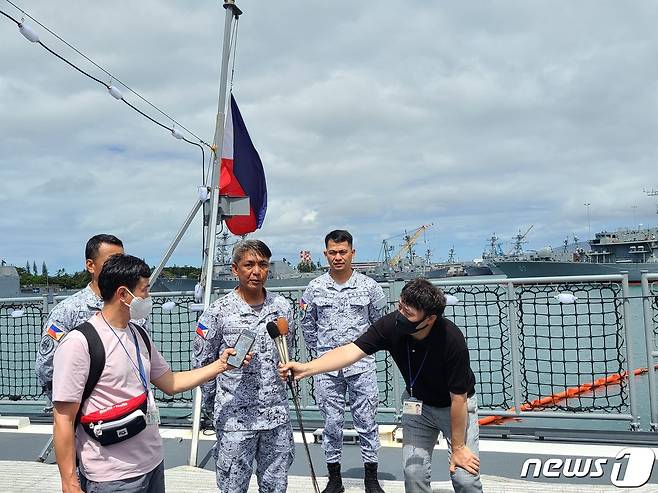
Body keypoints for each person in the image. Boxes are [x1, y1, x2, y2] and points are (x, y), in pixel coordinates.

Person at [52, 254, 247, 493]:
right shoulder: (79, 343)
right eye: (144, 291)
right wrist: (70, 483)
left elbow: (171, 382)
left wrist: (220, 365)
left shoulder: (138, 334)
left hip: (152, 464)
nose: (148, 297)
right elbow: (63, 418)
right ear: (124, 295)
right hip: (112, 476)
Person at [281, 278, 483, 493]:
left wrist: (459, 448)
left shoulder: (452, 341)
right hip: (418, 406)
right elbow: (351, 351)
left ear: (430, 318)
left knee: (464, 478)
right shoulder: (390, 325)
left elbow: (459, 399)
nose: (401, 315)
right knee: (414, 475)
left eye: (409, 314)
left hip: (455, 408)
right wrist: (307, 368)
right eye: (401, 307)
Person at [192, 239, 294, 493]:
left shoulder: (282, 308)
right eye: (249, 264)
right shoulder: (217, 313)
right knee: (233, 488)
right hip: (235, 420)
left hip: (276, 418)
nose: (256, 272)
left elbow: (288, 350)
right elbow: (202, 364)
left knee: (276, 487)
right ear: (235, 269)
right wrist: (214, 404)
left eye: (263, 265)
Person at [300, 230, 386, 493]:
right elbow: (307, 325)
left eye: (343, 252)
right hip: (327, 369)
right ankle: (334, 479)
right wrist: (323, 354)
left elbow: (378, 323)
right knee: (331, 423)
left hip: (361, 366)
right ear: (325, 254)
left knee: (367, 421)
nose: (338, 257)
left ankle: (371, 478)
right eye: (333, 252)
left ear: (352, 253)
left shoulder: (369, 287)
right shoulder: (315, 288)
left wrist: (364, 351)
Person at [35, 234, 148, 404]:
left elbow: (144, 359)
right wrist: (73, 411)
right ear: (90, 265)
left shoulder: (135, 306)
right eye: (111, 261)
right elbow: (47, 368)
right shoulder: (67, 311)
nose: (118, 267)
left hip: (133, 413)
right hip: (88, 418)